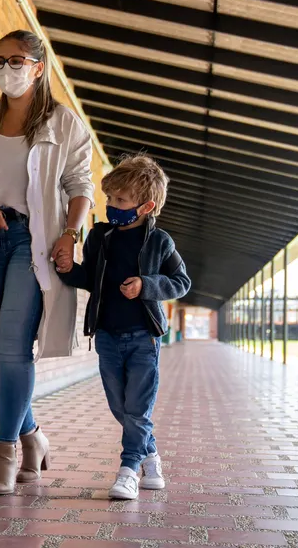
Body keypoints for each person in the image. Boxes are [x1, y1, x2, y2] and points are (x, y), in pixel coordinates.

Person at [0, 30, 94, 495]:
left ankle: (4, 450)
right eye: (0, 60)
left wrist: (70, 233)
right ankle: (33, 437)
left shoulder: (62, 123)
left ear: (38, 66)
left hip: (36, 241)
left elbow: (80, 185)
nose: (7, 68)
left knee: (11, 344)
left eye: (17, 60)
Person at [55, 154, 191, 500]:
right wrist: (69, 268)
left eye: (119, 200)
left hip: (143, 337)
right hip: (106, 336)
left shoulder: (161, 242)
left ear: (145, 206)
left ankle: (128, 469)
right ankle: (151, 456)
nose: (111, 206)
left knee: (138, 407)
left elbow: (181, 282)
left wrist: (146, 285)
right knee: (121, 406)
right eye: (109, 198)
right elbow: (90, 279)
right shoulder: (101, 238)